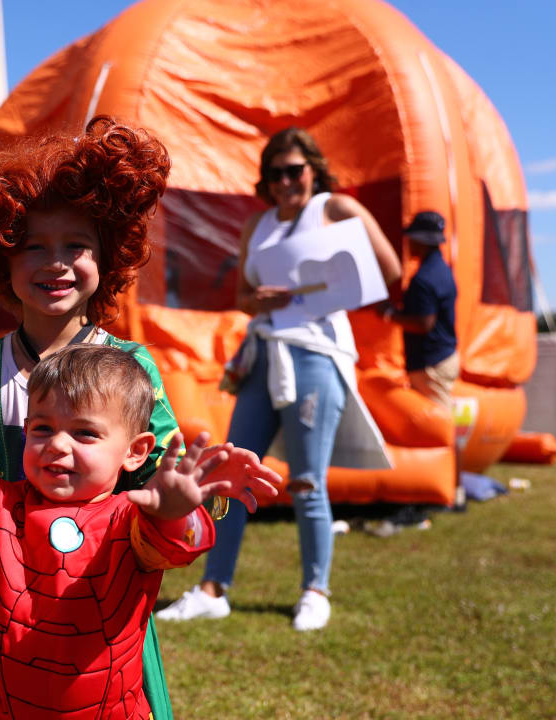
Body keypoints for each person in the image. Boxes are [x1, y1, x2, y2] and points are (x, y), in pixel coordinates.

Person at [0, 115, 277, 718]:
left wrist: (202, 489)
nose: (54, 263)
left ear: (107, 256)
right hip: (17, 621)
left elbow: (161, 480)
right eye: (33, 245)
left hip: (114, 620)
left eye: (75, 246)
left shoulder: (130, 365)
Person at [0, 345, 278, 719]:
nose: (58, 445)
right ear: (25, 432)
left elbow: (171, 545)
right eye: (43, 428)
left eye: (85, 433)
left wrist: (176, 511)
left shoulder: (131, 518)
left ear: (136, 451)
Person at [157, 126, 401, 631]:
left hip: (315, 352)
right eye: (276, 173)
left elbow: (391, 268)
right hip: (265, 352)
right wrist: (259, 301)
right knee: (230, 472)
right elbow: (244, 297)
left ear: (313, 169)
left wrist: (334, 286)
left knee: (308, 479)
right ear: (266, 180)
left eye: (295, 170)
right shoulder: (258, 225)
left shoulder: (335, 210)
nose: (287, 181)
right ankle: (213, 587)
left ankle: (315, 589)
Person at [383, 211, 459, 411]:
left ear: (421, 241)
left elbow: (424, 323)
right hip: (443, 357)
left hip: (431, 363)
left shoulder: (424, 278)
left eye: (411, 238)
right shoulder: (442, 270)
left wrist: (391, 315)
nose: (408, 244)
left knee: (438, 423)